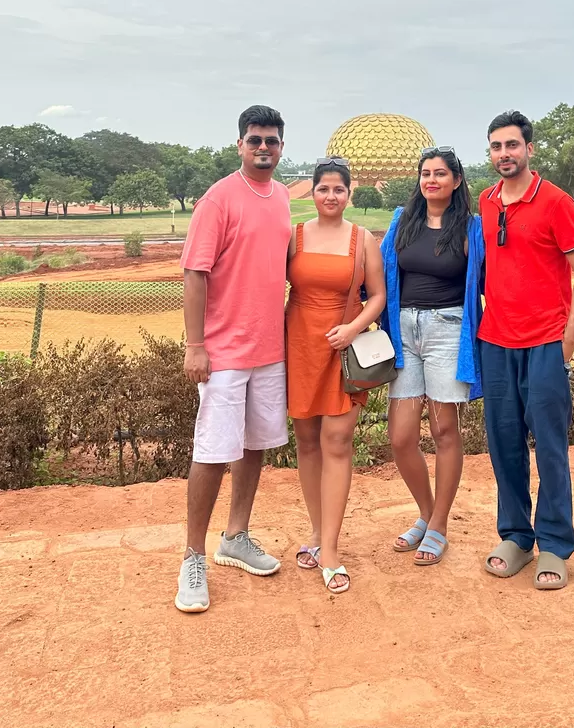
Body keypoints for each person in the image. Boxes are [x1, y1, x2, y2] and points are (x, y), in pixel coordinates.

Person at [174, 105, 292, 614]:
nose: (263, 147)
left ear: (281, 146)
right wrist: (195, 345)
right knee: (213, 451)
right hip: (223, 351)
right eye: (254, 139)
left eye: (271, 139)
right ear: (240, 145)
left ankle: (236, 535)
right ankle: (193, 555)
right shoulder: (218, 199)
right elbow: (195, 273)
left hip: (270, 348)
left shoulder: (284, 197)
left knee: (254, 445)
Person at [478, 110, 574, 591]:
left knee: (548, 445)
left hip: (546, 342)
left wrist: (568, 341)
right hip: (496, 340)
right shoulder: (486, 203)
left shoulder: (555, 202)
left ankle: (553, 542)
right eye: (496, 147)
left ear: (530, 148)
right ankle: (515, 535)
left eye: (512, 145)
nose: (504, 154)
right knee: (503, 442)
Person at [379, 147, 485, 565]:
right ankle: (426, 514)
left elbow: (490, 279)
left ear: (456, 181)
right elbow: (381, 272)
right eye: (425, 173)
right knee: (401, 436)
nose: (432, 180)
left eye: (440, 174)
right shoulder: (402, 222)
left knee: (444, 432)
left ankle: (439, 525)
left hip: (448, 331)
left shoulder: (470, 229)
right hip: (405, 331)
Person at [286, 158, 386, 594]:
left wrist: (353, 328)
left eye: (338, 190)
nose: (330, 196)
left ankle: (330, 548)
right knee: (306, 442)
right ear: (313, 192)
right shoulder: (294, 236)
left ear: (350, 194)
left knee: (337, 442)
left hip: (342, 348)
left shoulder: (363, 239)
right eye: (323, 188)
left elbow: (378, 294)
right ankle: (314, 531)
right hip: (299, 346)